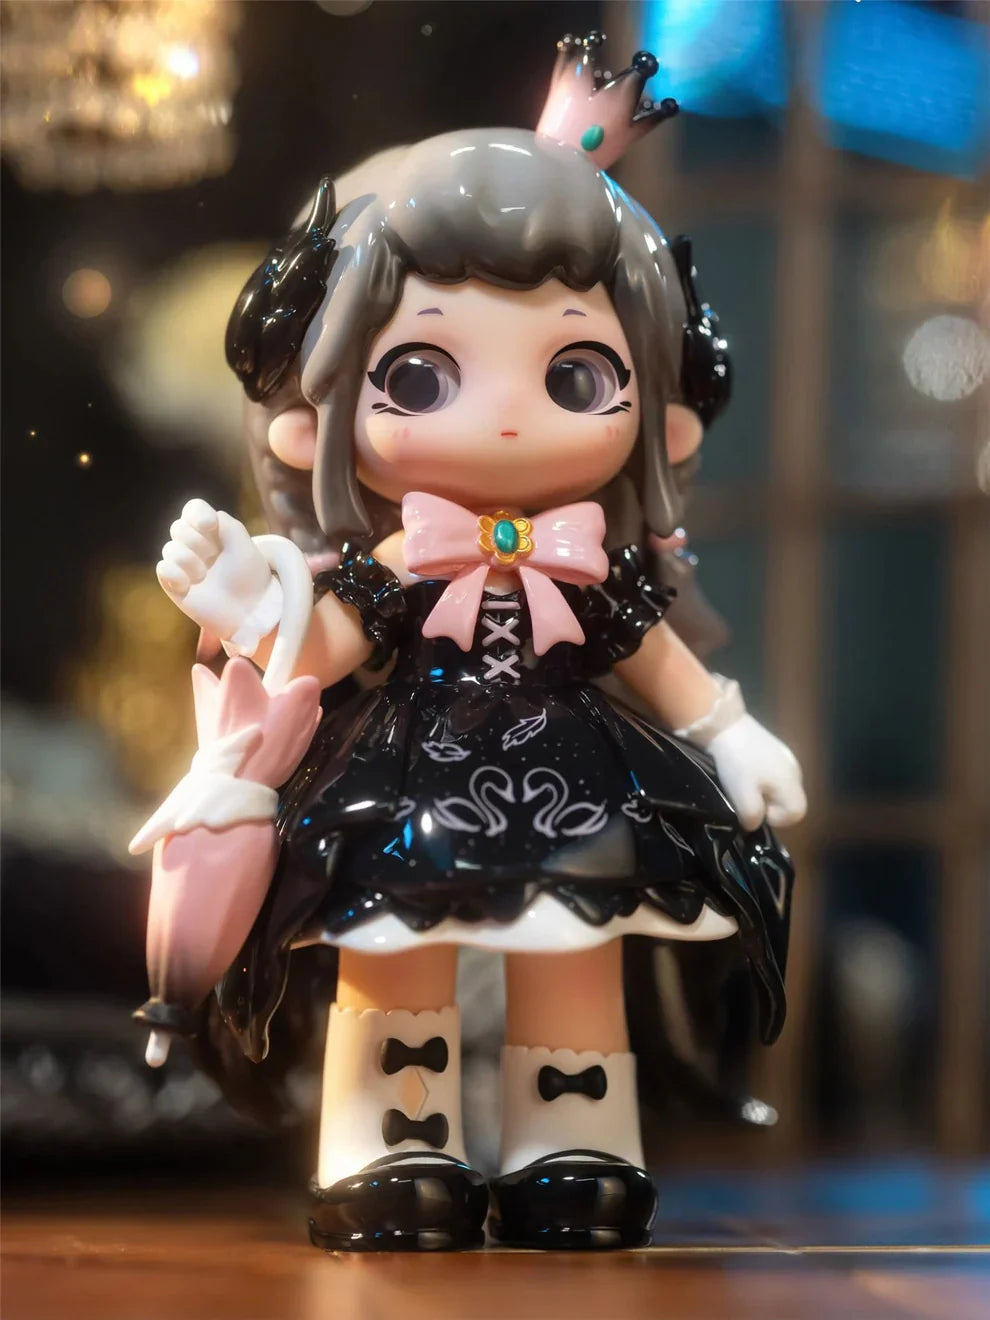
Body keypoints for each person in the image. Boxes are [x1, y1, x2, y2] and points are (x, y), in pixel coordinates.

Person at [150, 32, 806, 1251]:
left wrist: (729, 731)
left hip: (584, 775)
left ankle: (577, 1146)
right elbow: (324, 649)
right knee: (396, 944)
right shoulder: (405, 556)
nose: (505, 416)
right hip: (406, 773)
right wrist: (252, 616)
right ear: (321, 412)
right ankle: (389, 1144)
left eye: (574, 378)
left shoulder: (593, 563)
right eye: (419, 375)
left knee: (579, 948)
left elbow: (653, 657)